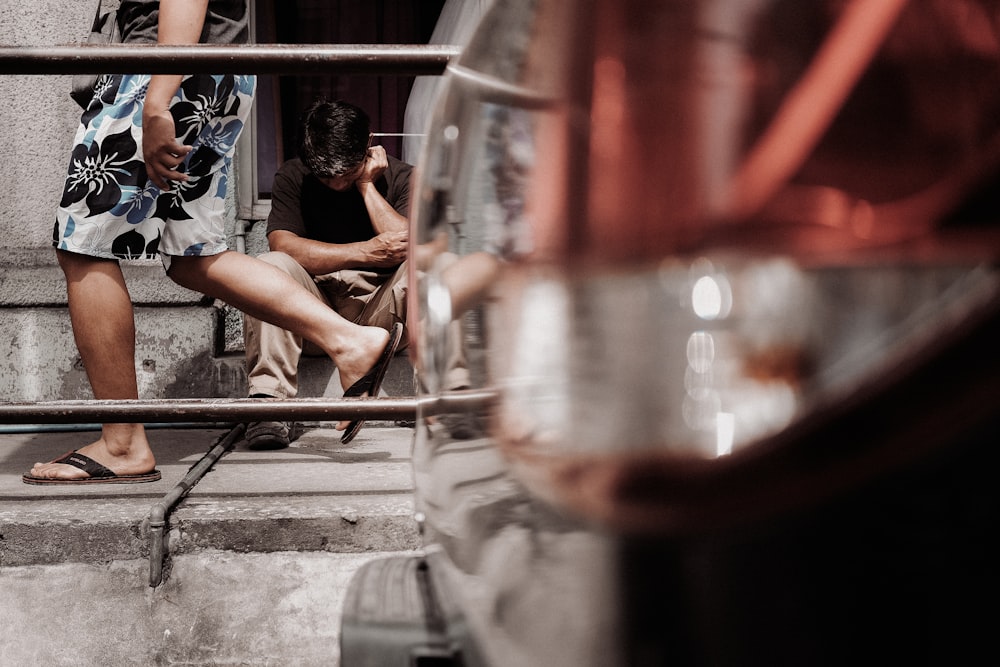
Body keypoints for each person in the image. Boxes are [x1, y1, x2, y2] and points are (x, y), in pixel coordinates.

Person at [23, 1, 402, 484]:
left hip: (166, 69)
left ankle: (121, 442)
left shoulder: (163, 79)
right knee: (192, 256)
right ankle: (349, 340)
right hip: (206, 72)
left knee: (83, 245)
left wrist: (157, 101)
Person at [242, 99, 473, 449]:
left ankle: (447, 396)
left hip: (385, 316)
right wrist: (364, 252)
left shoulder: (404, 176)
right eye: (326, 177)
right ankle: (269, 403)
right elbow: (283, 245)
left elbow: (416, 247)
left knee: (440, 266)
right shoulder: (293, 176)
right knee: (268, 267)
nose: (336, 185)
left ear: (370, 143)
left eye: (345, 175)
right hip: (316, 314)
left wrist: (366, 186)